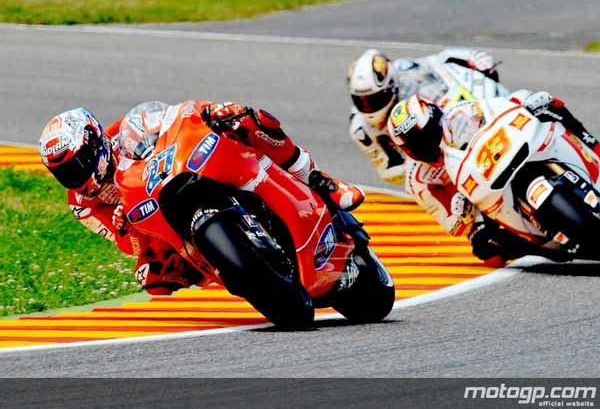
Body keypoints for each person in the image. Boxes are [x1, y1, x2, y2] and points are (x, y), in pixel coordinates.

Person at [39, 101, 364, 294]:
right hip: (151, 224)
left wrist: (209, 112)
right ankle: (226, 265)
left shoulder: (121, 131)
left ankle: (322, 181)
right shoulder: (81, 205)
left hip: (176, 173)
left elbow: (175, 118)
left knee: (248, 120)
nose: (76, 177)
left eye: (79, 163)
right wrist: (125, 229)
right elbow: (124, 246)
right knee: (152, 278)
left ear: (95, 142)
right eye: (65, 173)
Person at [386, 91, 600, 265]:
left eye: (427, 136)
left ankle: (593, 148)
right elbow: (452, 223)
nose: (426, 147)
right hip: (480, 205)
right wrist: (463, 215)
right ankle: (541, 249)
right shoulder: (419, 179)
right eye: (417, 146)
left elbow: (496, 107)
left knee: (550, 106)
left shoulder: (459, 114)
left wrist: (522, 101)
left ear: (436, 119)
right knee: (488, 250)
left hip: (500, 158)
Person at [347, 48, 504, 185]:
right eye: (361, 101)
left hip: (461, 115)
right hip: (440, 164)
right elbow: (388, 173)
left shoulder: (406, 70)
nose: (368, 107)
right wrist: (418, 161)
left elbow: (440, 59)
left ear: (391, 85)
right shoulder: (361, 131)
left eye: (375, 99)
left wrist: (472, 58)